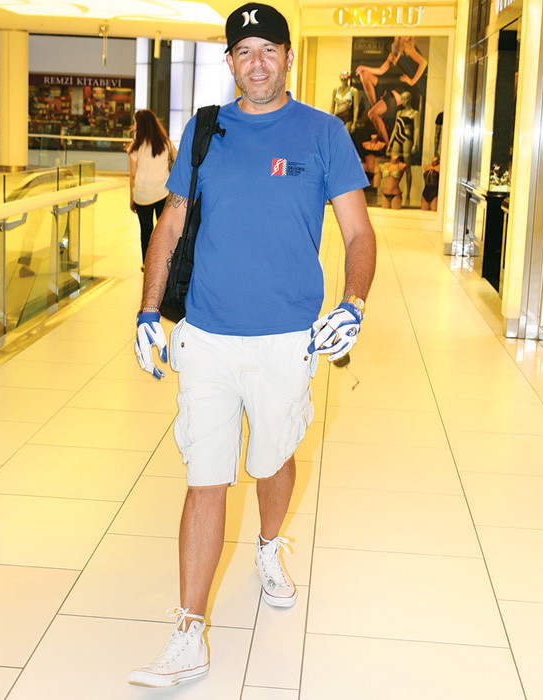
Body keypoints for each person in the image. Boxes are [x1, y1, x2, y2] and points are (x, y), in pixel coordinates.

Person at [128, 2, 376, 688]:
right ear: (231, 62)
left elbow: (358, 233)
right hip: (205, 336)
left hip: (286, 340)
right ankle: (189, 630)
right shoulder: (205, 129)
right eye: (245, 51)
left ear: (289, 58)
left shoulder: (323, 133)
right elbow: (170, 225)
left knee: (273, 460)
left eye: (270, 49)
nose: (258, 62)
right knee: (205, 477)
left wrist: (352, 304)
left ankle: (269, 544)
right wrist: (147, 312)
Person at [355, 36, 427, 145]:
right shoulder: (394, 52)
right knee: (364, 75)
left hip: (401, 89)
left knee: (372, 114)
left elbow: (423, 62)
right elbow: (381, 70)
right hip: (390, 86)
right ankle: (377, 111)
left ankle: (387, 146)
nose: (404, 36)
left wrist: (412, 81)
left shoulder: (408, 49)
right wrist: (363, 67)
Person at [127, 109, 176, 268]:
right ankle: (164, 262)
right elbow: (178, 162)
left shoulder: (135, 147)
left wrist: (131, 198)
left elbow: (133, 175)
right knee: (163, 230)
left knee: (146, 230)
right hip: (163, 193)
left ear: (140, 125)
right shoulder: (166, 143)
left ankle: (147, 263)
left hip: (143, 196)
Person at [386, 91, 420, 206]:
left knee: (407, 167)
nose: (404, 101)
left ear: (410, 99)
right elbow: (395, 129)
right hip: (397, 137)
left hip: (407, 138)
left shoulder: (414, 113)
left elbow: (416, 128)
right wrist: (389, 144)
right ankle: (392, 190)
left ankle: (408, 195)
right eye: (403, 99)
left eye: (406, 99)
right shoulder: (399, 113)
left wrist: (415, 143)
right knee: (393, 165)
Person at [330, 70, 360, 135]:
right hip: (337, 116)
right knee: (336, 137)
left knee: (345, 136)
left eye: (345, 79)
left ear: (348, 79)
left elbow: (356, 108)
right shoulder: (335, 91)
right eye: (342, 79)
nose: (343, 80)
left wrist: (354, 122)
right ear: (340, 78)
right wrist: (330, 120)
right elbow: (332, 107)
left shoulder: (353, 91)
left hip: (347, 117)